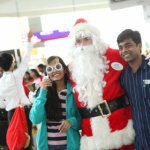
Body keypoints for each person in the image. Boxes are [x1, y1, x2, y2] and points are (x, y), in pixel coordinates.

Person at [68, 18, 135, 150]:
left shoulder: (116, 56)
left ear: (95, 39)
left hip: (120, 127)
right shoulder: (70, 69)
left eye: (86, 39)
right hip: (91, 135)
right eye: (78, 41)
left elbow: (137, 63)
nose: (83, 45)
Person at [29, 56, 81, 150]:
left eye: (57, 67)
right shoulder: (43, 93)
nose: (54, 71)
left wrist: (71, 121)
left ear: (64, 69)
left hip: (71, 145)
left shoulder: (74, 92)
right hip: (47, 146)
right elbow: (35, 119)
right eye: (50, 69)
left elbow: (81, 120)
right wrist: (42, 92)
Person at [0, 29, 34, 150]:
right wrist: (29, 41)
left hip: (10, 114)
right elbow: (26, 59)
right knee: (27, 142)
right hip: (23, 111)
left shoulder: (0, 82)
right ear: (12, 63)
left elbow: (1, 104)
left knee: (16, 142)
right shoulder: (16, 75)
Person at [117, 29, 150, 150]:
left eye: (128, 45)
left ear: (139, 46)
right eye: (120, 47)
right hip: (140, 141)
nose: (124, 50)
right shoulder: (123, 77)